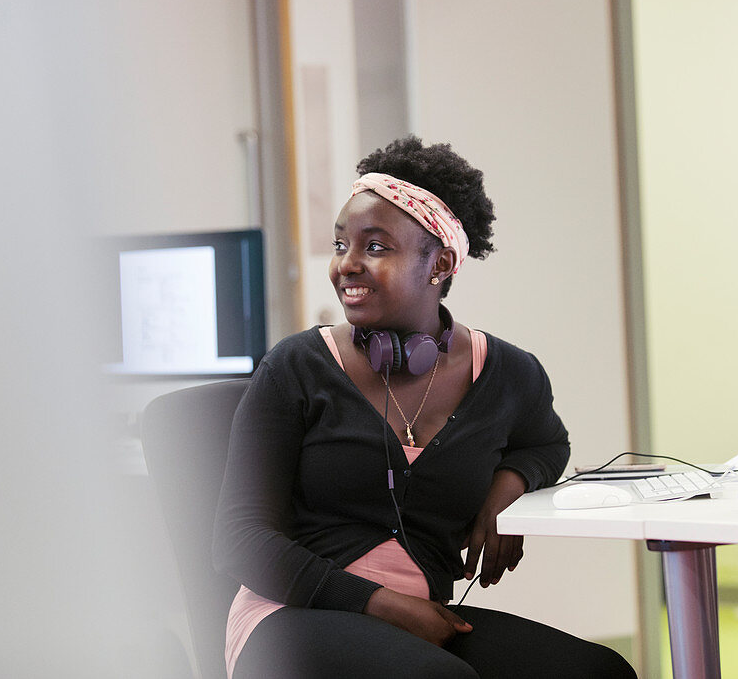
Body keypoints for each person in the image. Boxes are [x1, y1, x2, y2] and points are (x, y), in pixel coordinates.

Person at [213, 136, 636, 678]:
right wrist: (385, 604)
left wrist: (505, 495)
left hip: (420, 619)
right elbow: (238, 540)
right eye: (341, 245)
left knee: (598, 671)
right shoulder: (296, 367)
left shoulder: (508, 373)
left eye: (376, 247)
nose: (347, 265)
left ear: (438, 264)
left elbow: (545, 443)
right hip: (288, 619)